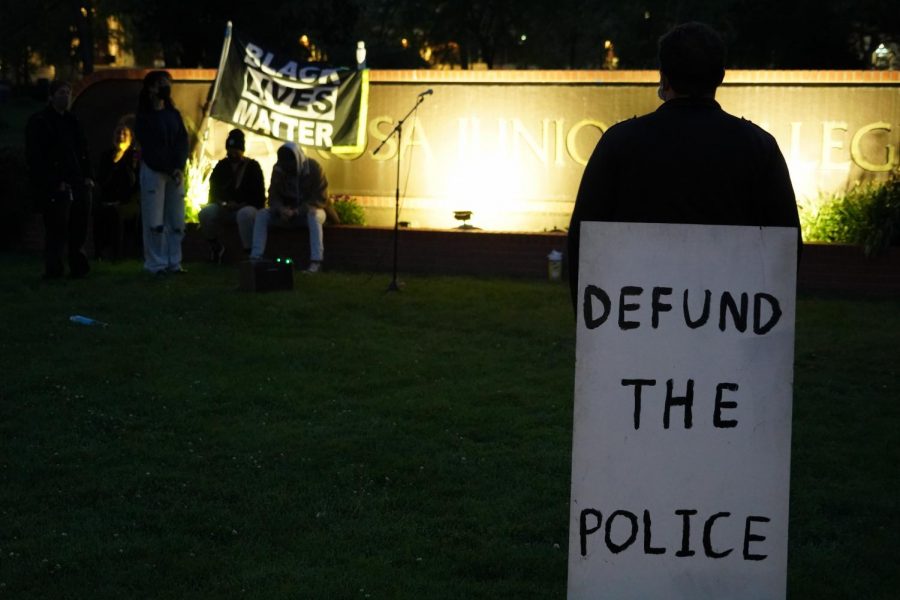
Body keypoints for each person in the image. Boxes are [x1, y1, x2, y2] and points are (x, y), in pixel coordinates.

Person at [567, 22, 801, 309]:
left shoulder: (619, 143)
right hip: (732, 332)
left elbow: (583, 242)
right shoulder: (759, 147)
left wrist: (592, 323)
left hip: (633, 327)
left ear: (663, 77)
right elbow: (786, 250)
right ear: (720, 77)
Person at [25, 80, 94, 279]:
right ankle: (54, 269)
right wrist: (54, 181)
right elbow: (37, 157)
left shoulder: (73, 121)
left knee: (78, 227)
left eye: (68, 93)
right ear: (52, 96)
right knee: (56, 228)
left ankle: (77, 266)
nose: (66, 97)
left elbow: (83, 150)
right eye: (62, 93)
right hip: (55, 185)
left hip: (76, 180)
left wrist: (87, 176)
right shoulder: (41, 122)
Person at [249, 142, 338, 273]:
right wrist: (281, 209)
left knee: (314, 215)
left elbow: (320, 198)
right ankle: (255, 258)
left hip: (309, 211)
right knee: (262, 214)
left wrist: (297, 211)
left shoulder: (314, 168)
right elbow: (273, 195)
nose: (288, 169)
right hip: (286, 214)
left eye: (291, 165)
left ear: (298, 159)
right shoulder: (279, 169)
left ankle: (316, 262)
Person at [135, 70, 189, 275]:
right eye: (162, 83)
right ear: (151, 88)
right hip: (154, 172)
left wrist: (178, 166)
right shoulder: (145, 118)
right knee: (154, 220)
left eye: (168, 82)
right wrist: (169, 167)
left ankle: (174, 262)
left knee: (176, 220)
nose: (166, 86)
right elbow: (150, 148)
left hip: (174, 173)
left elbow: (182, 141)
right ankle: (156, 264)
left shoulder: (173, 114)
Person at [198, 129, 265, 261]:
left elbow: (258, 196)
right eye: (230, 149)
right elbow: (213, 192)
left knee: (245, 214)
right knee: (206, 213)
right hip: (225, 208)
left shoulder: (253, 167)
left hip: (247, 207)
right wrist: (222, 204)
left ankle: (249, 252)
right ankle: (215, 246)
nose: (232, 153)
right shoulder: (221, 166)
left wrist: (240, 204)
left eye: (236, 150)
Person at [93, 123, 140, 260]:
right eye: (118, 133)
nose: (120, 136)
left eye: (124, 134)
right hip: (107, 199)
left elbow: (133, 182)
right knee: (100, 214)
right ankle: (99, 252)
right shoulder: (106, 156)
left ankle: (118, 253)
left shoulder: (133, 157)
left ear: (130, 138)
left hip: (127, 201)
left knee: (116, 213)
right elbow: (101, 179)